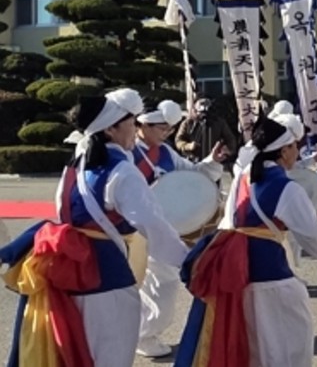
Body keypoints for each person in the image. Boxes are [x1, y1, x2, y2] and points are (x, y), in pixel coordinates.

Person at [1, 89, 187, 367]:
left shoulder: (76, 164)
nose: (135, 128)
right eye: (131, 122)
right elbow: (151, 223)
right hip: (104, 271)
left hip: (66, 265)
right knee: (110, 351)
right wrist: (188, 261)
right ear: (111, 129)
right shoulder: (122, 171)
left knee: (75, 349)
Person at [174, 110, 317, 367]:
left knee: (253, 349)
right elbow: (314, 238)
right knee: (289, 347)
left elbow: (231, 221)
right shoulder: (287, 189)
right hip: (271, 277)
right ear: (283, 151)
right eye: (294, 146)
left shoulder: (243, 177)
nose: (297, 151)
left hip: (239, 274)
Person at [131, 99, 228, 358]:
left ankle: (143, 332)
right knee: (160, 284)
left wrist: (212, 161)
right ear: (142, 125)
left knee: (158, 284)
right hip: (143, 229)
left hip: (166, 227)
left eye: (169, 129)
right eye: (161, 128)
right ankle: (144, 334)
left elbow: (193, 175)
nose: (166, 134)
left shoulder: (165, 151)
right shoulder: (128, 154)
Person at [175, 97, 238, 164]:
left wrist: (227, 150)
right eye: (200, 112)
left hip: (213, 161)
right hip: (192, 162)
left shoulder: (219, 123)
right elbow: (178, 140)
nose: (203, 115)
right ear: (195, 111)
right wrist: (188, 146)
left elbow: (231, 139)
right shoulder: (188, 123)